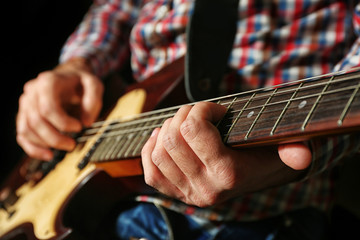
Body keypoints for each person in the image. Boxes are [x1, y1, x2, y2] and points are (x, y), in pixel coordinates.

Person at [16, 0, 360, 239]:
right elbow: (116, 8)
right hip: (106, 172)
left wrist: (308, 149)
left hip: (251, 218)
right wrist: (76, 64)